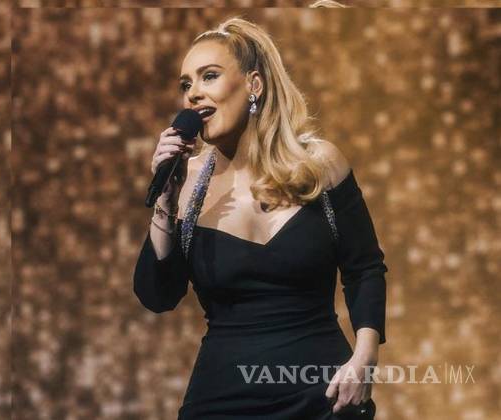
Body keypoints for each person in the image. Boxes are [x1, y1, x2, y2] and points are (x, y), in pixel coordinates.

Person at [133, 16, 387, 420]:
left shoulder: (319, 165)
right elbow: (157, 296)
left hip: (322, 393)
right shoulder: (188, 183)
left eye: (209, 76)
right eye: (185, 84)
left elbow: (365, 268)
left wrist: (365, 357)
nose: (193, 94)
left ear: (254, 84)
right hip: (223, 399)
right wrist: (166, 197)